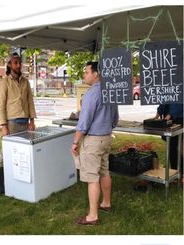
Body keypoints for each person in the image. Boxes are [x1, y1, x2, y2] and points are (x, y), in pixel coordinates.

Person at [71, 61, 119, 225]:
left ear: (96, 74)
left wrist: (75, 142)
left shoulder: (92, 94)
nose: (84, 75)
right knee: (104, 172)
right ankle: (106, 203)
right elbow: (115, 119)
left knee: (92, 178)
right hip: (106, 137)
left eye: (86, 72)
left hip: (93, 140)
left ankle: (92, 216)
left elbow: (83, 124)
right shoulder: (110, 91)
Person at [0, 52, 36, 193]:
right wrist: (4, 126)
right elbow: (0, 106)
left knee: (23, 153)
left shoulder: (25, 82)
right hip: (11, 123)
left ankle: (19, 180)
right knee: (5, 153)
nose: (19, 65)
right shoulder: (4, 82)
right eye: (15, 62)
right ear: (9, 65)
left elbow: (30, 101)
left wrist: (32, 121)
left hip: (25, 123)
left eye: (19, 62)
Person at [154, 103, 183, 183]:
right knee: (172, 148)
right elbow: (162, 105)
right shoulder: (166, 92)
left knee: (180, 148)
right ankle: (175, 173)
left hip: (179, 119)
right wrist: (156, 117)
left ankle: (181, 174)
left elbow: (178, 105)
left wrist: (166, 118)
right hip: (168, 120)